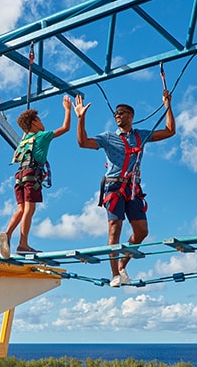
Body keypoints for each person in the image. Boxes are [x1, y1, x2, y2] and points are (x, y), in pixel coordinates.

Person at [74, 89, 175, 287]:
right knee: (115, 230)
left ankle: (122, 265)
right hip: (114, 187)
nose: (117, 115)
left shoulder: (141, 136)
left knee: (141, 231)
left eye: (121, 112)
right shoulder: (108, 137)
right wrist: (81, 118)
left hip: (133, 188)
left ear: (131, 116)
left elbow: (170, 131)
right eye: (116, 113)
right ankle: (115, 275)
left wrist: (167, 106)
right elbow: (83, 143)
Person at [1, 95, 73, 257]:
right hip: (32, 175)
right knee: (29, 209)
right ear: (34, 122)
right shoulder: (41, 136)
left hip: (19, 175)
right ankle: (23, 244)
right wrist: (67, 110)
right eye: (39, 120)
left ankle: (8, 234)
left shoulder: (24, 140)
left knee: (21, 209)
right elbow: (65, 128)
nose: (42, 122)